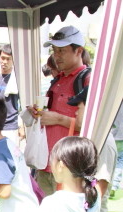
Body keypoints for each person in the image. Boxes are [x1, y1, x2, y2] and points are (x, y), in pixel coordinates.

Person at [28, 26, 90, 196]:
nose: (57, 55)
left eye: (62, 50)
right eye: (55, 50)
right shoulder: (58, 80)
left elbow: (89, 125)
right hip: (46, 164)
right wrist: (38, 113)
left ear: (79, 51)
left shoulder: (87, 79)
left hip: (69, 167)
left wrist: (57, 119)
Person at [110, 106, 123, 198]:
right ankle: (114, 185)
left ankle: (108, 182)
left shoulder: (116, 99)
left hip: (111, 134)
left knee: (109, 159)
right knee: (119, 160)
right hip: (121, 137)